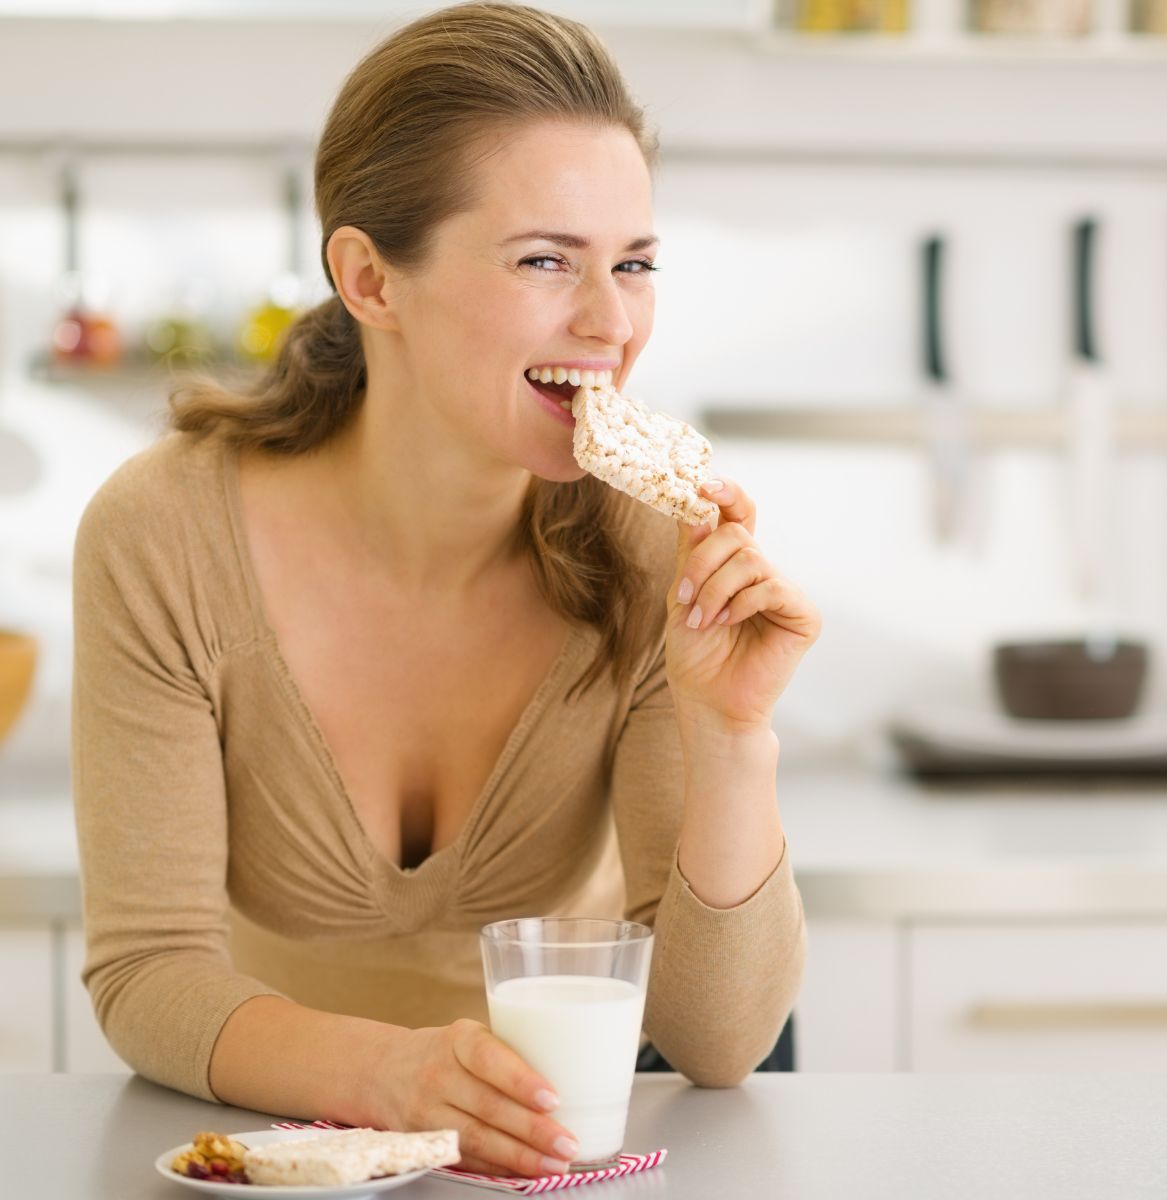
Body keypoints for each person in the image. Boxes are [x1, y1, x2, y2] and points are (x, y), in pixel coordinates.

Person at [71, 1, 821, 1180]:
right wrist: (387, 1077)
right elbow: (147, 973)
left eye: (633, 263)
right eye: (544, 261)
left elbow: (720, 1049)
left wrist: (732, 736)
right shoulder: (164, 532)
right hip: (280, 1166)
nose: (612, 323)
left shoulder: (644, 547)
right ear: (371, 278)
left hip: (554, 1160)